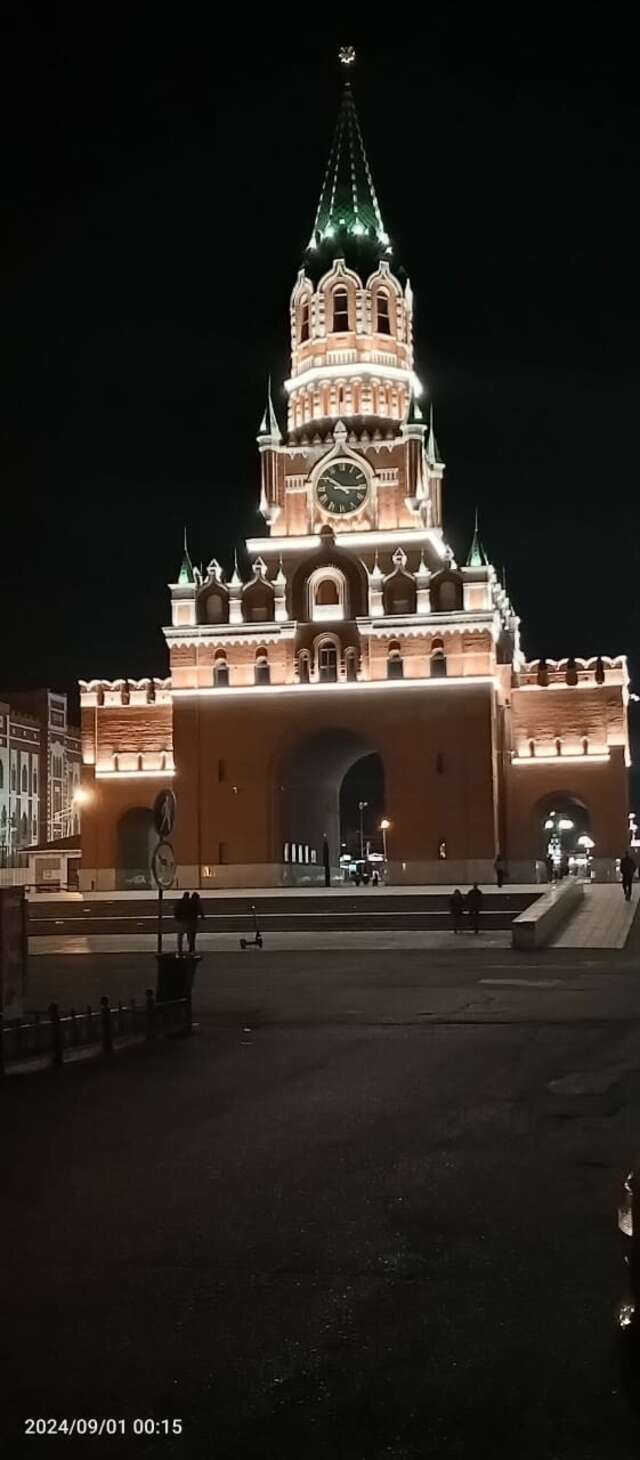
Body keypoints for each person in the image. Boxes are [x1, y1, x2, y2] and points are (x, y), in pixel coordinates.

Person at [174, 891, 191, 956]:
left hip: (182, 920)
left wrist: (177, 918)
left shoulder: (180, 902)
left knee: (180, 935)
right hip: (186, 920)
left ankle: (180, 949)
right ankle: (190, 948)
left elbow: (176, 910)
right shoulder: (189, 902)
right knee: (189, 935)